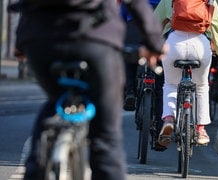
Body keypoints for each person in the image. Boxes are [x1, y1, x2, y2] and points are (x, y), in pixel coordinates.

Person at [8, 0, 165, 179]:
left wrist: (22, 40)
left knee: (55, 101)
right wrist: (155, 43)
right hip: (96, 40)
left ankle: (34, 171)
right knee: (105, 137)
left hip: (41, 40)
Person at [154, 0, 218, 146]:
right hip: (200, 45)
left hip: (174, 43)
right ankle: (201, 130)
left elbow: (155, 21)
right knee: (201, 87)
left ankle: (168, 119)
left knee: (171, 84)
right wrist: (217, 48)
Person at [121, 0, 163, 111]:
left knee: (129, 56)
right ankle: (160, 121)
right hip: (157, 26)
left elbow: (122, 16)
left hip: (133, 25)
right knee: (160, 82)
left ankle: (130, 91)